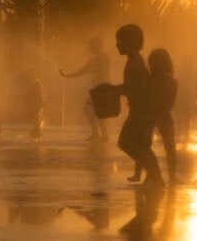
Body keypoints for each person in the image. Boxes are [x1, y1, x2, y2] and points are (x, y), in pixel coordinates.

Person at [114, 24, 164, 189]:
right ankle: (154, 177)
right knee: (141, 146)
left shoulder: (134, 63)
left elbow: (132, 89)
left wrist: (111, 89)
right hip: (142, 110)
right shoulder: (135, 60)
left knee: (127, 143)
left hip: (142, 112)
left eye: (119, 41)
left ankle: (156, 177)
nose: (117, 45)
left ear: (129, 42)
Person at [128, 49, 179, 186]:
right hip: (149, 115)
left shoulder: (171, 82)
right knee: (144, 146)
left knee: (170, 148)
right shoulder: (148, 80)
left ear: (165, 63)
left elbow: (170, 103)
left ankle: (172, 177)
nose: (155, 65)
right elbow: (141, 97)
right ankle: (142, 174)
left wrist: (154, 111)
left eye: (158, 62)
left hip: (161, 115)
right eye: (153, 62)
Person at [58, 37, 111, 142]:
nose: (90, 48)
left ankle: (104, 136)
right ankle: (96, 134)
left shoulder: (104, 57)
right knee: (89, 111)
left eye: (92, 46)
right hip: (97, 89)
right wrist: (67, 75)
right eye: (90, 46)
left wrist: (91, 70)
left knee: (98, 112)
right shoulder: (93, 60)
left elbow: (102, 70)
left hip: (103, 88)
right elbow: (82, 71)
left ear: (99, 46)